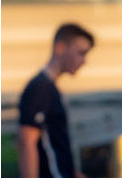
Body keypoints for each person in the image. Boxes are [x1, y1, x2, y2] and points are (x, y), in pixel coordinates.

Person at [18, 23, 94, 178]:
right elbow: (27, 142)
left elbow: (54, 145)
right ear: (60, 48)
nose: (84, 61)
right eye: (81, 53)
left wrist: (70, 173)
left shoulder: (51, 88)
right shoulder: (40, 87)